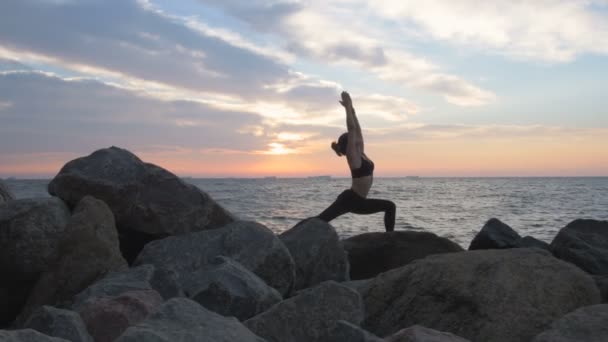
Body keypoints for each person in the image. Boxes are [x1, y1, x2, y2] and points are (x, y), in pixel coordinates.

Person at [317, 91, 396, 232]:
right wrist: (347, 108)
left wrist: (353, 110)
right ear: (349, 145)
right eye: (353, 140)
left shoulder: (361, 153)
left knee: (390, 206)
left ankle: (390, 238)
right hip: (350, 200)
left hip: (359, 202)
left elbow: (357, 130)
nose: (357, 139)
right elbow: (352, 129)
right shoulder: (353, 157)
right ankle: (285, 237)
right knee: (319, 220)